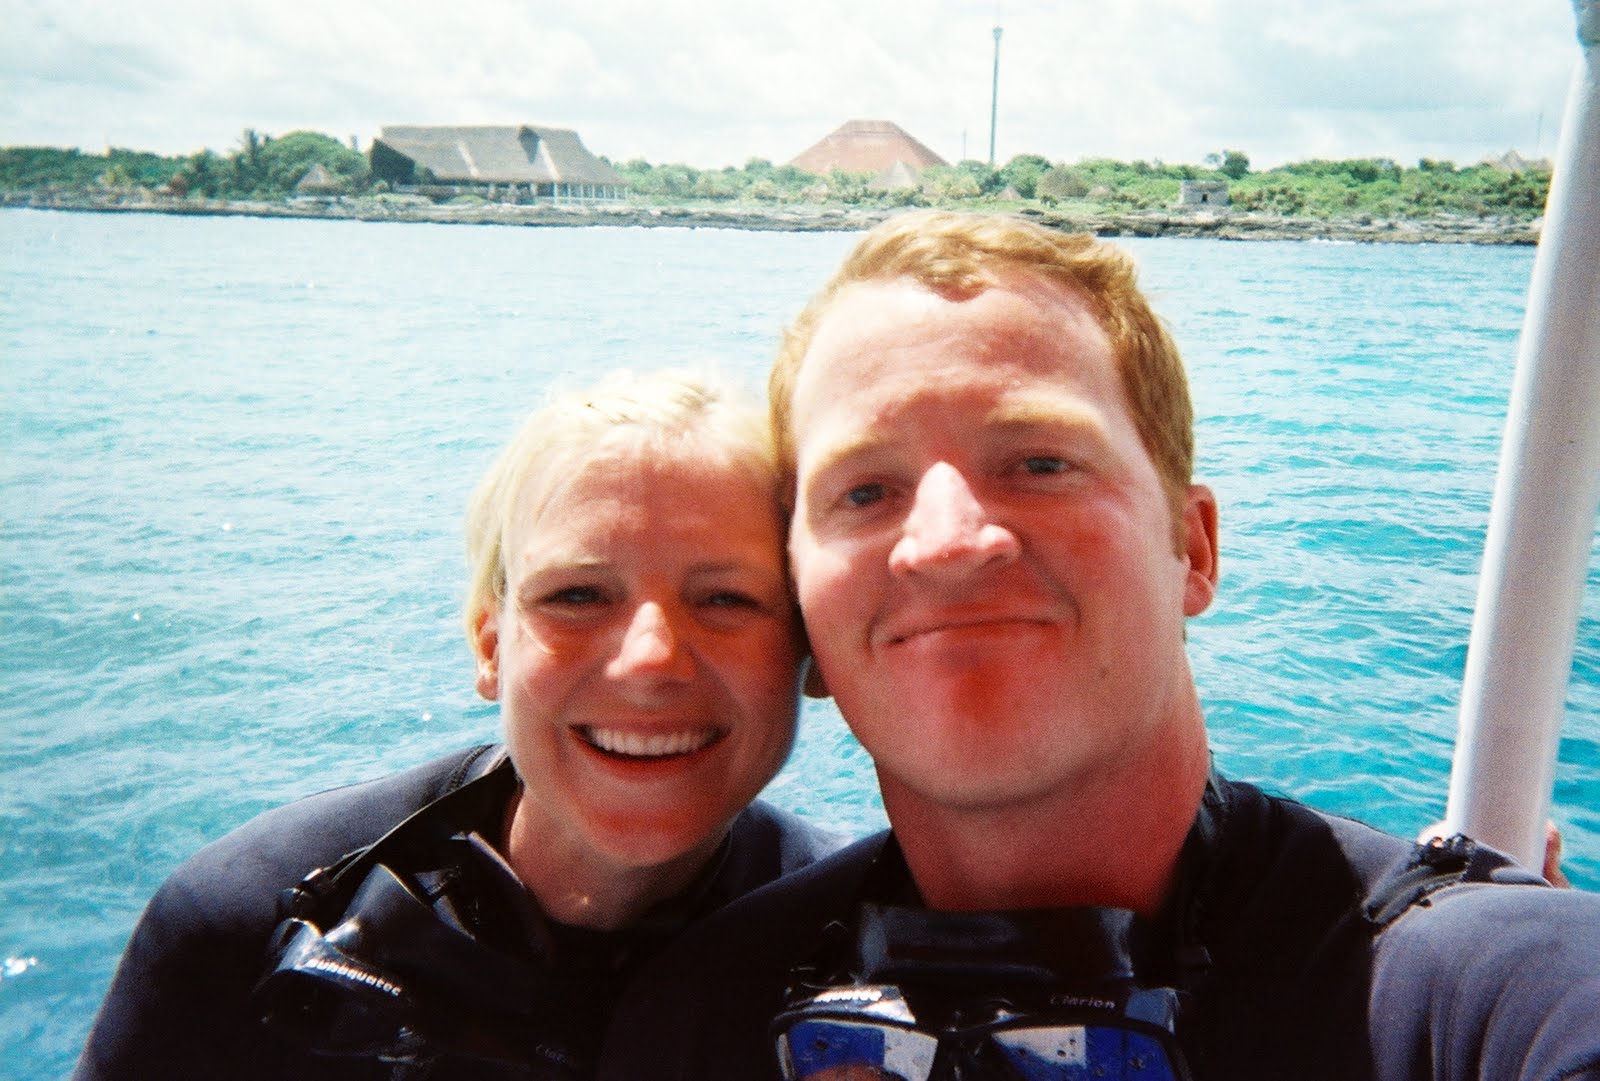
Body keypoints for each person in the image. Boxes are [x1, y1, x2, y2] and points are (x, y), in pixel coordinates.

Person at [596, 212, 1600, 1081]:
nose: (948, 542)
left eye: (1039, 462)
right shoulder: (697, 1020)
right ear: (804, 616)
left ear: (1191, 548)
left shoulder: (1472, 1002)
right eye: (865, 491)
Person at [74, 369, 844, 1081]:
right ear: (490, 645)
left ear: (810, 651)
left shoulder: (863, 951)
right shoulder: (237, 929)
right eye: (576, 596)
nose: (649, 660)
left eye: (727, 599)